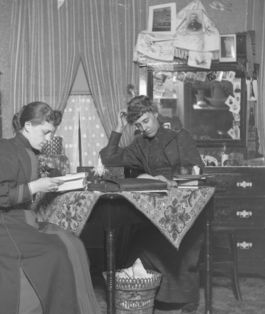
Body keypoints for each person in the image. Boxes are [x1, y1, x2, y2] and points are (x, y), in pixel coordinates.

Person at [0, 102, 102, 314]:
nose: (48, 139)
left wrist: (51, 181)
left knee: (73, 243)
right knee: (57, 250)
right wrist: (35, 186)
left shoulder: (29, 151)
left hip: (19, 220)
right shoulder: (3, 147)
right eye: (45, 132)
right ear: (29, 125)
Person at [99, 96, 205, 314]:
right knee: (139, 243)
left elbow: (196, 172)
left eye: (146, 121)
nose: (143, 128)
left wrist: (173, 182)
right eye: (137, 125)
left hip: (185, 208)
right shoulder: (140, 144)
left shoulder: (179, 136)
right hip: (157, 210)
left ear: (155, 113)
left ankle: (188, 302)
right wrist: (119, 129)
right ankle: (148, 297)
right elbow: (110, 158)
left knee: (178, 248)